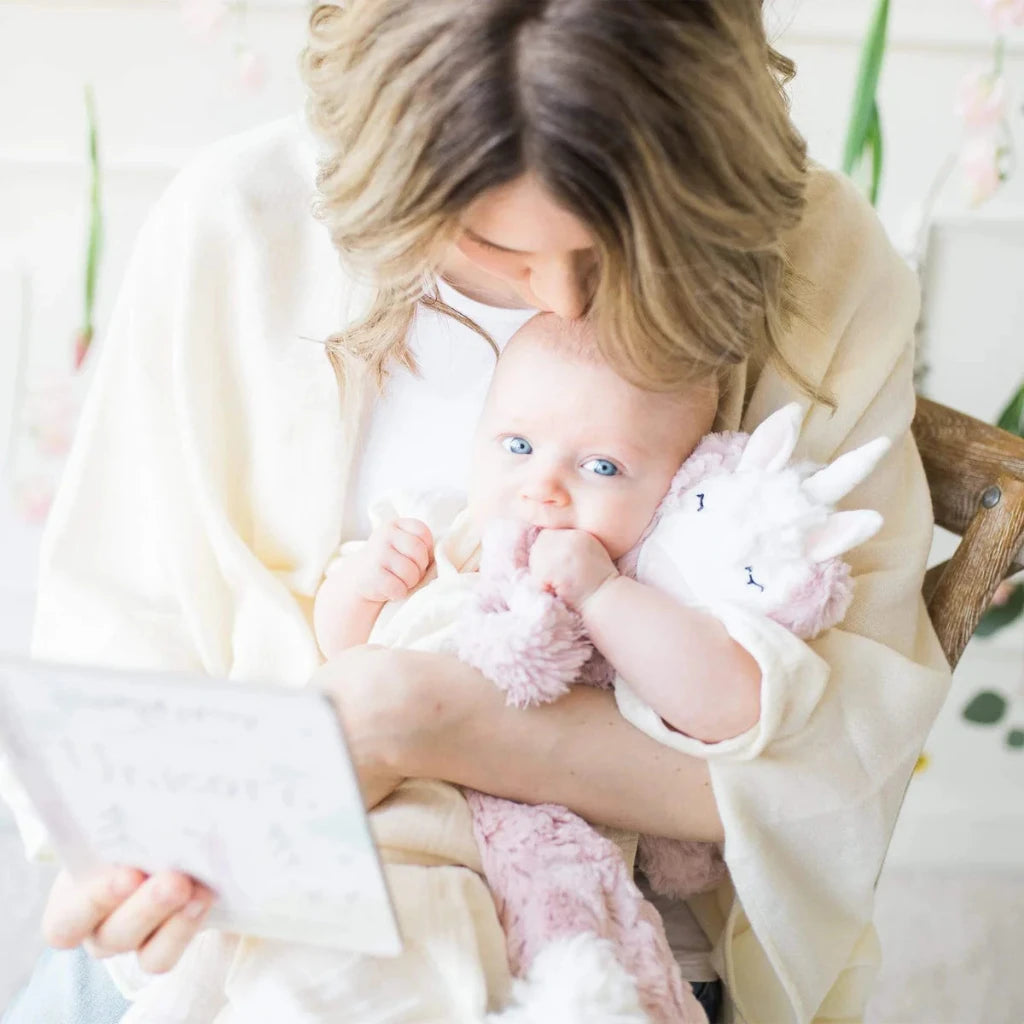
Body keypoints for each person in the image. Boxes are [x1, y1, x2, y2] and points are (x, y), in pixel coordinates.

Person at [0, 2, 951, 1022]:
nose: (568, 306)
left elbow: (830, 774)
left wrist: (404, 717)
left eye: (614, 249)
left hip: (598, 951)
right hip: (244, 915)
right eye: (496, 246)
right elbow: (120, 657)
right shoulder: (238, 230)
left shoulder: (820, 268)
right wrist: (144, 849)